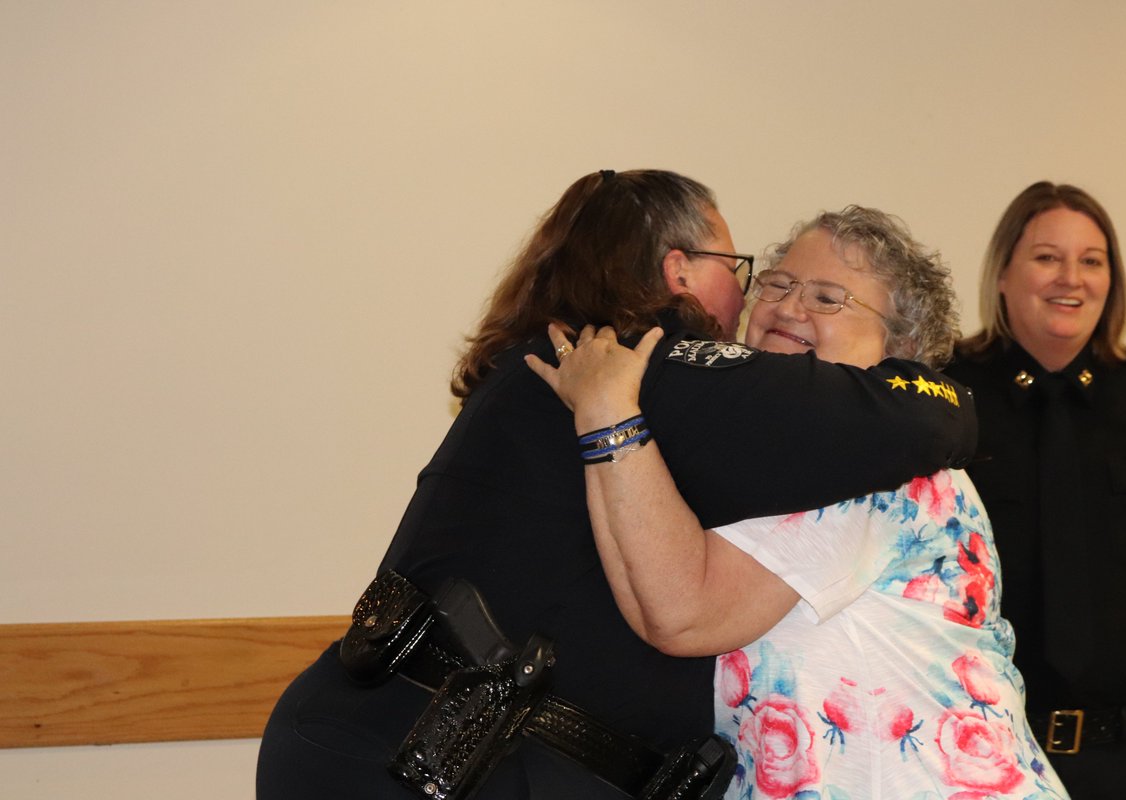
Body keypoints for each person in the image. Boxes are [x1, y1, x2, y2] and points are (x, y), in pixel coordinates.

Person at [256, 170, 977, 800]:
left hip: (404, 736)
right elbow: (910, 420)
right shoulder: (647, 366)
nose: (773, 302)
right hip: (441, 756)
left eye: (827, 297)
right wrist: (952, 400)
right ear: (679, 270)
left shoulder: (578, 365)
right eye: (767, 279)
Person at [528, 206, 1068, 799]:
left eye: (828, 298)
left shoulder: (874, 464)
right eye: (778, 284)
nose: (788, 308)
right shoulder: (781, 453)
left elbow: (682, 614)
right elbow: (649, 600)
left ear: (902, 346)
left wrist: (608, 411)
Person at [944, 181, 1126, 799]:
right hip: (973, 755)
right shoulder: (946, 400)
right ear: (1002, 274)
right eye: (1047, 257)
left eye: (1091, 260)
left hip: (1122, 762)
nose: (1071, 279)